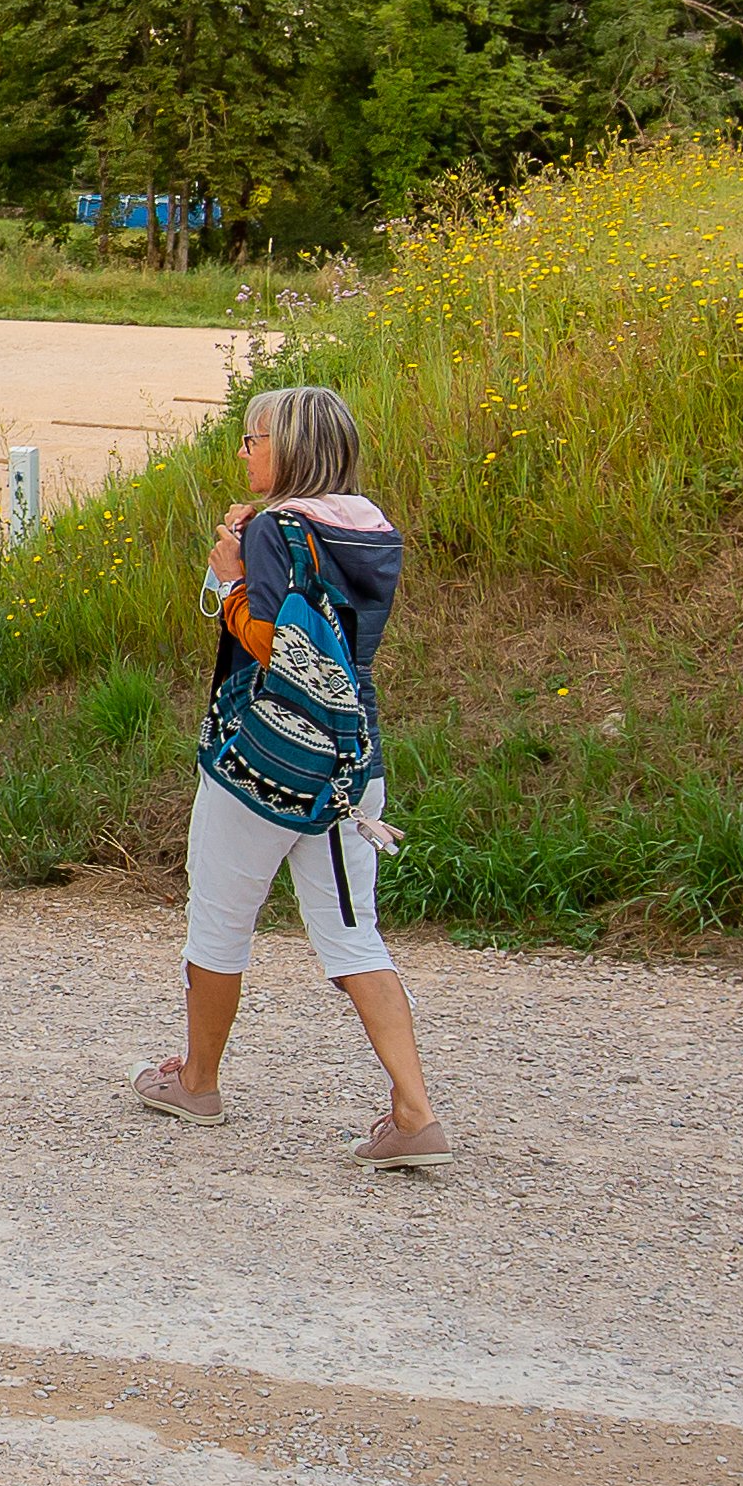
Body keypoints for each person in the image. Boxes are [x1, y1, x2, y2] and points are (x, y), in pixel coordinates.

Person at [135, 383, 452, 1172]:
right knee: (352, 935)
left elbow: (277, 645)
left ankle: (198, 1083)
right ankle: (413, 1113)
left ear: (293, 449)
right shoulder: (374, 530)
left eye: (254, 439)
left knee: (217, 921)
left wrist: (231, 578)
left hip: (264, 757)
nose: (243, 450)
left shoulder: (278, 528)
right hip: (351, 761)